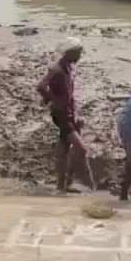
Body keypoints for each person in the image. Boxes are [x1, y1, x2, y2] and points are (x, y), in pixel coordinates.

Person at [38, 37, 91, 193]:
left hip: (68, 112)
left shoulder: (68, 67)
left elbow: (69, 94)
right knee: (81, 149)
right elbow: (41, 86)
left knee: (64, 148)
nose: (80, 56)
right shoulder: (57, 69)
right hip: (61, 115)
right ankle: (66, 181)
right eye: (78, 53)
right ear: (70, 53)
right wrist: (52, 100)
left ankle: (61, 186)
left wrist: (76, 114)